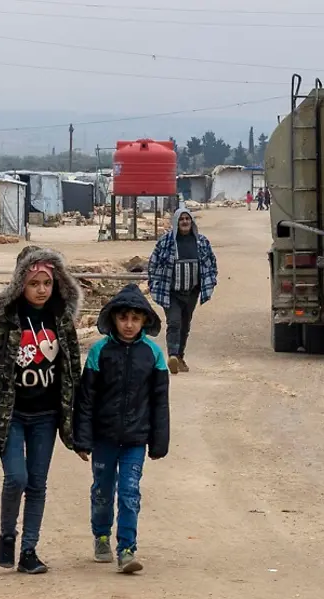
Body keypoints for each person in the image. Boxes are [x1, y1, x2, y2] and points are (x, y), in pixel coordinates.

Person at [0, 248, 84, 574]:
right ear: (21, 283)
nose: (42, 289)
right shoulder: (3, 319)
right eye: (34, 283)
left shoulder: (60, 317)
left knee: (37, 483)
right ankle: (8, 534)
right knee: (16, 477)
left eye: (47, 282)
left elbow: (73, 369)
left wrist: (78, 421)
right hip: (10, 415)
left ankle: (29, 551)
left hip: (46, 416)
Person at [73, 283, 170, 574]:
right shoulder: (99, 352)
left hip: (135, 440)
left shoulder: (153, 355)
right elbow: (86, 399)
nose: (129, 324)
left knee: (129, 492)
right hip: (103, 438)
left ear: (145, 321)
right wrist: (82, 439)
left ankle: (127, 549)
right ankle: (101, 534)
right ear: (113, 318)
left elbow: (159, 403)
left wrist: (159, 442)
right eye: (123, 317)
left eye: (135, 318)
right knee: (103, 490)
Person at [147, 207, 218, 374]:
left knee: (185, 325)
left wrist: (210, 280)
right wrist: (154, 283)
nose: (185, 222)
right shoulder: (166, 242)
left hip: (192, 292)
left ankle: (179, 356)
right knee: (174, 322)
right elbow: (153, 264)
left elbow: (211, 263)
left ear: (191, 222)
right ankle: (172, 355)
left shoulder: (202, 242)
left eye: (187, 219)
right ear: (176, 223)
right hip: (171, 292)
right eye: (181, 219)